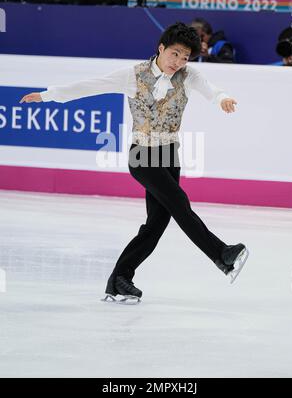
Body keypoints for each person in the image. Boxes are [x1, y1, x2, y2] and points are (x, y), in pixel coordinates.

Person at [19, 22, 249, 303]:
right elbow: (92, 86)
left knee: (155, 224)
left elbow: (211, 90)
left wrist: (223, 99)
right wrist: (48, 95)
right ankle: (222, 254)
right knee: (179, 204)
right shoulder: (134, 75)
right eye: (174, 54)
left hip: (168, 155)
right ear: (161, 48)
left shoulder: (189, 76)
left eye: (185, 57)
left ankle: (119, 279)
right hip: (142, 155)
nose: (178, 62)